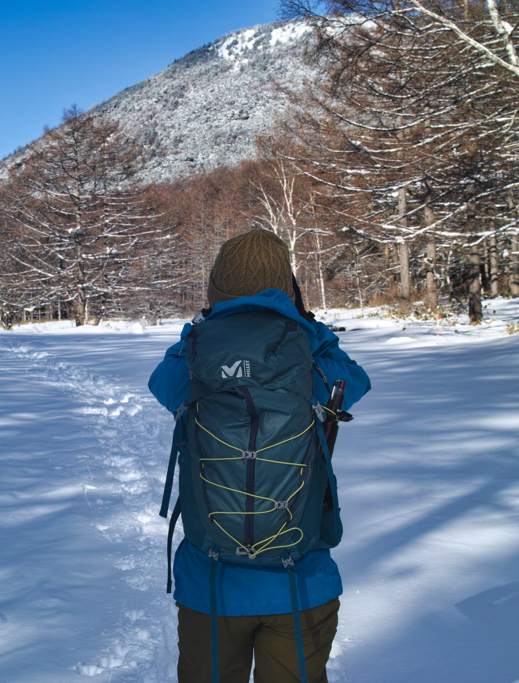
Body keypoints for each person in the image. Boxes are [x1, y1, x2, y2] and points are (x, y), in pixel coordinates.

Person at [148, 229, 371, 683]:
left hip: (210, 587)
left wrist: (204, 327)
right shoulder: (308, 349)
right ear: (286, 287)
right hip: (299, 583)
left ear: (216, 289)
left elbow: (163, 383)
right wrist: (306, 325)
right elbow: (352, 384)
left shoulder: (193, 351)